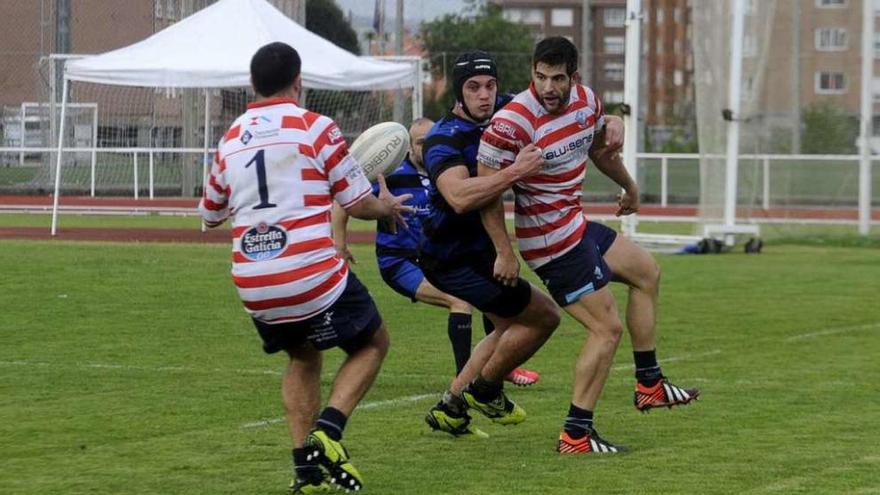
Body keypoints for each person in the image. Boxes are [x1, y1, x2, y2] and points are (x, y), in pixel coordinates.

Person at [199, 42, 411, 493]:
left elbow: (210, 213)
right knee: (373, 342)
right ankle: (329, 433)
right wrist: (386, 205)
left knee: (302, 355)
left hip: (253, 281)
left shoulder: (232, 136)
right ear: (298, 81)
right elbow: (358, 202)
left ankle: (307, 475)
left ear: (252, 86)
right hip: (310, 273)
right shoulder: (316, 127)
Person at [477, 37, 700, 454]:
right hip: (549, 243)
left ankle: (649, 383)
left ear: (574, 78)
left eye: (557, 78)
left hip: (575, 226)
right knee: (606, 329)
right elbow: (486, 189)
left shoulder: (587, 102)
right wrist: (503, 251)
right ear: (531, 74)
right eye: (540, 77)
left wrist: (629, 185)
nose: (548, 87)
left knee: (646, 271)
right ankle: (576, 434)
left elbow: (599, 149)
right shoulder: (512, 122)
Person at [331, 118, 540, 385]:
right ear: (408, 148)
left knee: (494, 297)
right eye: (420, 143)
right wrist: (340, 245)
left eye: (431, 141)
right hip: (399, 263)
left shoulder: (446, 172)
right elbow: (342, 203)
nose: (426, 147)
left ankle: (502, 367)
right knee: (460, 302)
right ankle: (465, 377)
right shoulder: (391, 174)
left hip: (438, 259)